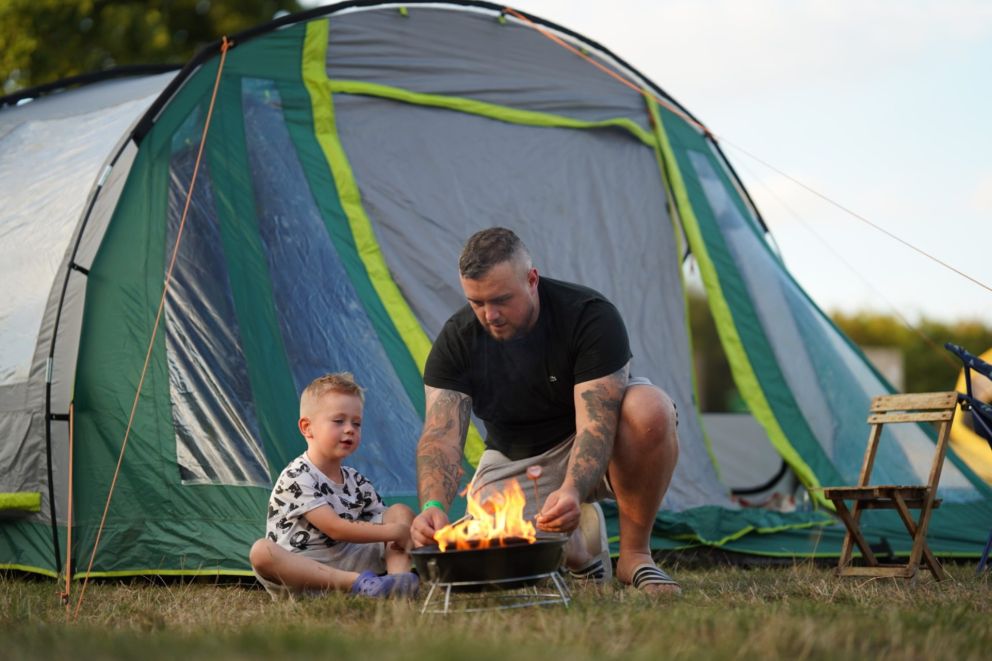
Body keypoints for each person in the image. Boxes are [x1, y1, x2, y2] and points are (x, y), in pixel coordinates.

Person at [410, 227, 681, 594]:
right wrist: (432, 503)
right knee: (499, 551)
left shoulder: (588, 315)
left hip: (598, 444)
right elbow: (440, 438)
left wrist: (571, 488)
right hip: (515, 459)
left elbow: (596, 423)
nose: (490, 315)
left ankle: (635, 556)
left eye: (501, 299)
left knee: (650, 409)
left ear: (532, 279)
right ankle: (581, 552)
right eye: (477, 302)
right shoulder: (457, 339)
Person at [249, 372, 419, 599]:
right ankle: (358, 583)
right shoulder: (297, 476)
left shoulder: (356, 480)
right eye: (339, 421)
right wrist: (399, 532)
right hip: (306, 571)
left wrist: (407, 529)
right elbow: (335, 528)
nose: (350, 429)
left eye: (356, 423)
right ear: (307, 428)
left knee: (400, 511)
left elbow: (383, 522)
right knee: (262, 551)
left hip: (347, 559)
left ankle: (398, 584)